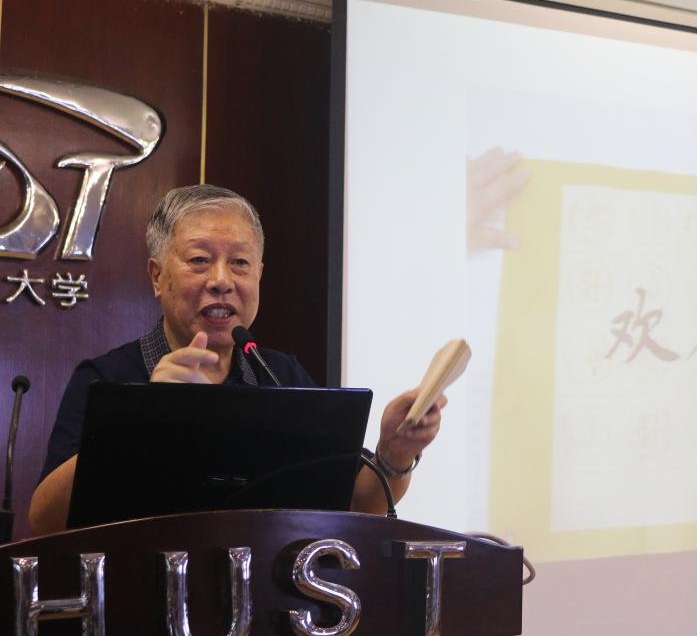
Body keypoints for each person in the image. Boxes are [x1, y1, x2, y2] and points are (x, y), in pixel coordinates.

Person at [28, 184, 444, 535]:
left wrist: (394, 453)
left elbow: (352, 506)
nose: (221, 281)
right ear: (157, 276)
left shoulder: (281, 376)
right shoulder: (108, 379)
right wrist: (142, 416)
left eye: (240, 263)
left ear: (258, 275)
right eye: (199, 260)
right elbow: (45, 521)